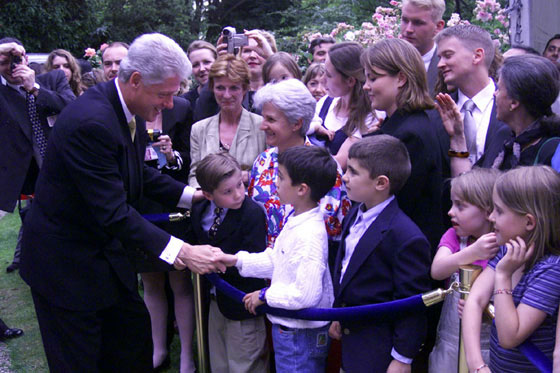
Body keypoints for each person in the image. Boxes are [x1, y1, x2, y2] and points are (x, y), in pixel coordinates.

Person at [19, 33, 225, 372]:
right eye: (165, 94)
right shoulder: (92, 122)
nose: (170, 104)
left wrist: (190, 196)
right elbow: (113, 212)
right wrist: (185, 253)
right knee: (82, 361)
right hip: (66, 268)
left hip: (105, 259)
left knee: (132, 345)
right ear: (135, 80)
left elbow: (135, 172)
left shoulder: (128, 106)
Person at [219, 145, 337, 373]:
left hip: (299, 335)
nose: (275, 182)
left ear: (302, 189)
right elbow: (278, 261)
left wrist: (265, 296)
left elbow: (306, 294)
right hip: (291, 330)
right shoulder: (298, 217)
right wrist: (236, 261)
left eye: (281, 177)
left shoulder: (309, 234)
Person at [329, 135, 432, 372]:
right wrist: (338, 312)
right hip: (351, 337)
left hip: (379, 351)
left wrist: (402, 358)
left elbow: (411, 305)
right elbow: (345, 267)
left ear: (381, 183)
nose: (345, 177)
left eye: (353, 172)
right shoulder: (356, 211)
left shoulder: (406, 237)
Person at [463, 166, 560, 373]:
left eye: (499, 211)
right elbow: (475, 300)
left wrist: (503, 275)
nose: (491, 218)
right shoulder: (507, 248)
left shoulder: (551, 270)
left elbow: (509, 336)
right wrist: (476, 365)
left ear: (529, 222)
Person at [0, 38, 75, 273]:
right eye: (4, 62)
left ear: (27, 59)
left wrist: (35, 88)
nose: (11, 67)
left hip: (62, 167)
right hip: (25, 177)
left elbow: (71, 107)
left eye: (16, 59)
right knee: (36, 226)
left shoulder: (51, 79)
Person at [361, 37, 444, 251]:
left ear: (401, 78)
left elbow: (393, 207)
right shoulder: (399, 125)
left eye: (373, 78)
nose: (366, 86)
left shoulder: (410, 135)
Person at [248, 78, 350, 250]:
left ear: (297, 123)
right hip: (261, 268)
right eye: (263, 118)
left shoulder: (324, 168)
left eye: (271, 120)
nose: (262, 126)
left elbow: (334, 230)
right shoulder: (262, 162)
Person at [191, 153, 269, 373]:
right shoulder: (200, 210)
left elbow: (255, 261)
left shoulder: (251, 213)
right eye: (228, 191)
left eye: (240, 185)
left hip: (242, 302)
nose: (238, 195)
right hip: (214, 300)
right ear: (207, 194)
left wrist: (215, 264)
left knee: (245, 362)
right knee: (219, 363)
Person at [133, 95, 194, 372]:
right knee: (151, 283)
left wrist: (170, 155)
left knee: (180, 284)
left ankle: (187, 357)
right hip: (141, 206)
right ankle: (157, 351)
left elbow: (189, 159)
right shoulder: (130, 110)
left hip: (174, 205)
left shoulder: (180, 108)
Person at [437, 54, 560, 175]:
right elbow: (471, 190)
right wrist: (458, 137)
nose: (494, 94)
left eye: (499, 89)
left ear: (514, 103)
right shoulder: (504, 138)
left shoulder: (552, 150)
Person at [428, 168, 500, 372]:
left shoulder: (504, 246)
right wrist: (473, 252)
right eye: (452, 203)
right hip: (450, 343)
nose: (451, 211)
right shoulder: (454, 238)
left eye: (460, 206)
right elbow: (438, 270)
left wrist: (485, 308)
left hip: (489, 347)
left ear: (488, 210)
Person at [434, 25, 510, 167]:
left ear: (477, 56)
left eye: (448, 55)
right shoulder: (434, 113)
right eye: (439, 57)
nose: (440, 64)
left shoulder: (513, 106)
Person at [189, 54, 266, 188]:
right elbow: (195, 176)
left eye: (234, 88)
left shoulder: (262, 126)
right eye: (220, 88)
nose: (226, 95)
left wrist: (248, 176)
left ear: (245, 89)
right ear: (212, 88)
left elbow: (272, 173)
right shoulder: (199, 129)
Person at [308, 42, 379, 170]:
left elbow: (339, 163)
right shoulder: (325, 102)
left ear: (350, 81)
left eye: (328, 75)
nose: (323, 79)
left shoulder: (370, 114)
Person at [400, 0, 445, 95]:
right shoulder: (382, 61)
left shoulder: (448, 69)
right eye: (405, 20)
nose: (408, 29)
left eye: (418, 23)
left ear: (438, 27)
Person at [182, 40, 217, 108]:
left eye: (206, 62)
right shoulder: (184, 104)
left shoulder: (229, 98)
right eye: (195, 65)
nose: (202, 69)